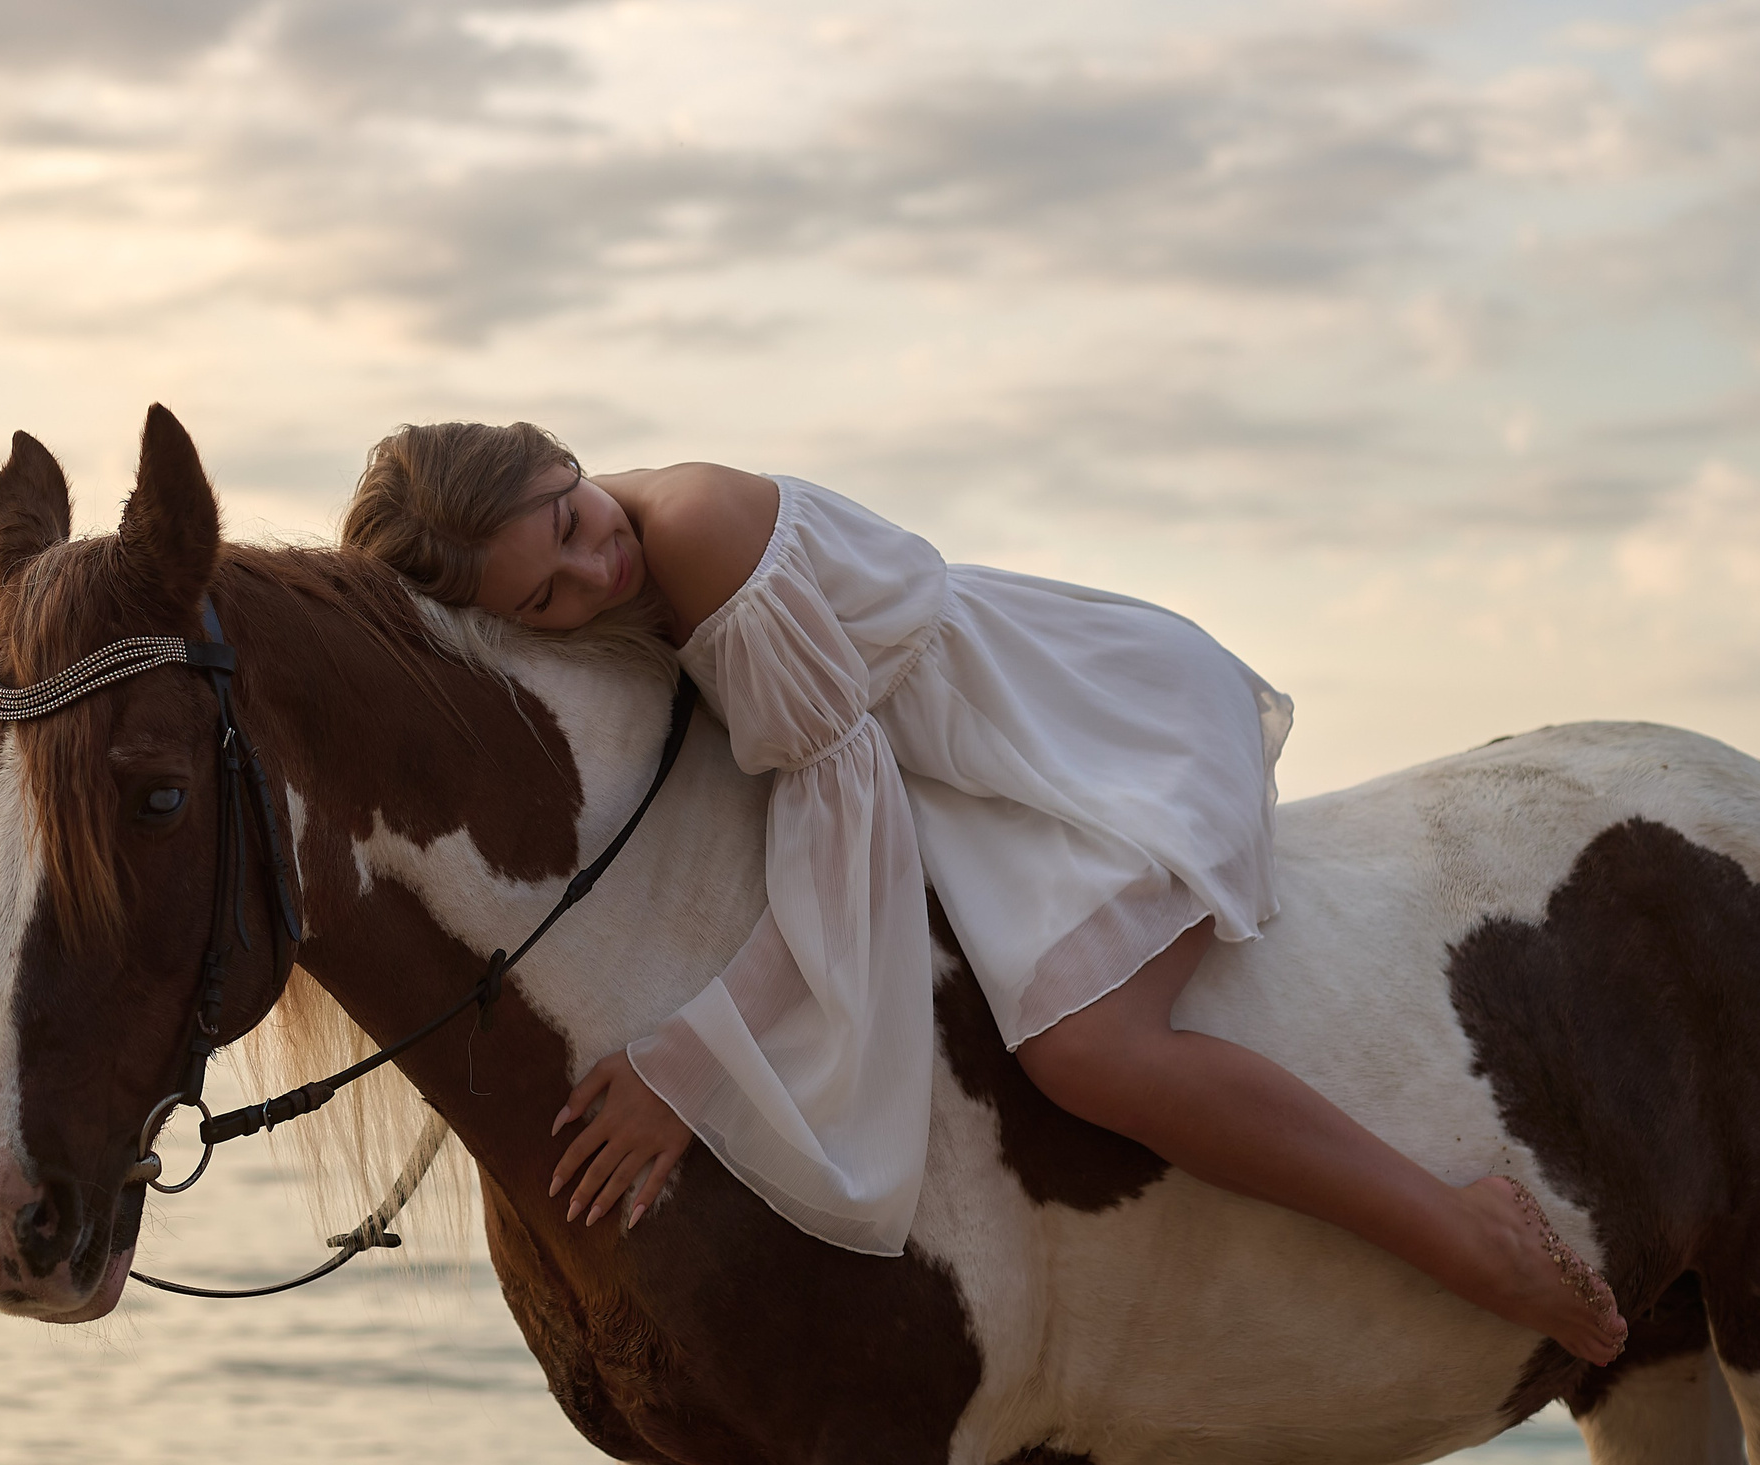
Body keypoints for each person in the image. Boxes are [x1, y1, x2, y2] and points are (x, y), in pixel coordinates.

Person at [342, 421, 1627, 1366]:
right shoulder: (611, 569)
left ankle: (1460, 1229)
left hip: (1070, 723)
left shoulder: (692, 528)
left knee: (1089, 1053)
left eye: (572, 523)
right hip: (948, 767)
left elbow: (847, 827)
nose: (594, 576)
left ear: (562, 456)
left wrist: (692, 1060)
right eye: (546, 597)